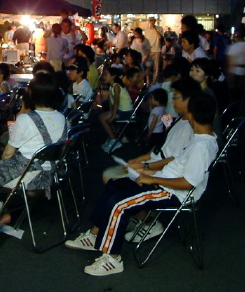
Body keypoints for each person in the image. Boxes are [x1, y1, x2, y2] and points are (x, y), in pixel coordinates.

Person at [64, 92, 218, 277]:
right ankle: (96, 234)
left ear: (191, 115)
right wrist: (151, 172)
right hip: (163, 182)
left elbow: (187, 183)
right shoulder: (200, 138)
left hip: (171, 192)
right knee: (114, 185)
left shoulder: (201, 146)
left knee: (119, 204)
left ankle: (113, 258)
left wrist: (153, 179)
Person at [0, 72, 67, 242]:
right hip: (49, 175)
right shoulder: (63, 118)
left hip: (26, 176)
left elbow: (8, 153)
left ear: (33, 95)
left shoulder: (25, 119)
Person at [99, 67, 134, 152]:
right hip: (120, 110)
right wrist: (110, 113)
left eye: (106, 74)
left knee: (103, 119)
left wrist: (113, 115)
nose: (104, 76)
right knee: (102, 117)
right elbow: (112, 102)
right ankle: (113, 138)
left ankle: (114, 140)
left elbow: (116, 102)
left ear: (113, 76)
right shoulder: (112, 86)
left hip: (125, 111)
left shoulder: (116, 86)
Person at [144, 88, 168, 152]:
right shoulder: (163, 108)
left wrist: (150, 132)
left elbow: (153, 122)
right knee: (156, 145)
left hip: (154, 131)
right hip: (159, 131)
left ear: (157, 100)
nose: (151, 100)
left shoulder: (156, 110)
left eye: (152, 99)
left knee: (150, 146)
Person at [144, 17, 164, 82]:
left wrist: (155, 28)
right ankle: (148, 81)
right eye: (150, 21)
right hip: (149, 50)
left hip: (157, 50)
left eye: (153, 21)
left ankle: (155, 81)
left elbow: (160, 37)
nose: (152, 22)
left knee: (156, 67)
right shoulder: (146, 30)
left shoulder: (159, 28)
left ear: (155, 21)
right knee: (148, 66)